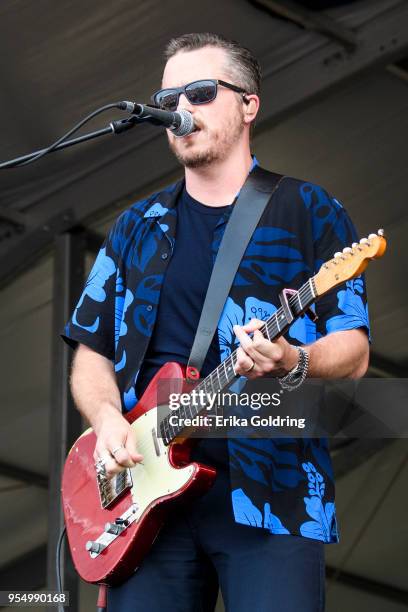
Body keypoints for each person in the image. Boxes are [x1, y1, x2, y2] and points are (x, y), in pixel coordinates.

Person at [63, 32, 370, 612]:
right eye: (169, 95)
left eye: (201, 93)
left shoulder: (308, 210)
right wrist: (106, 420)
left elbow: (353, 348)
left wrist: (292, 358)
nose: (182, 109)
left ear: (249, 104)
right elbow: (90, 351)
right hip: (145, 498)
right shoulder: (137, 226)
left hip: (273, 490)